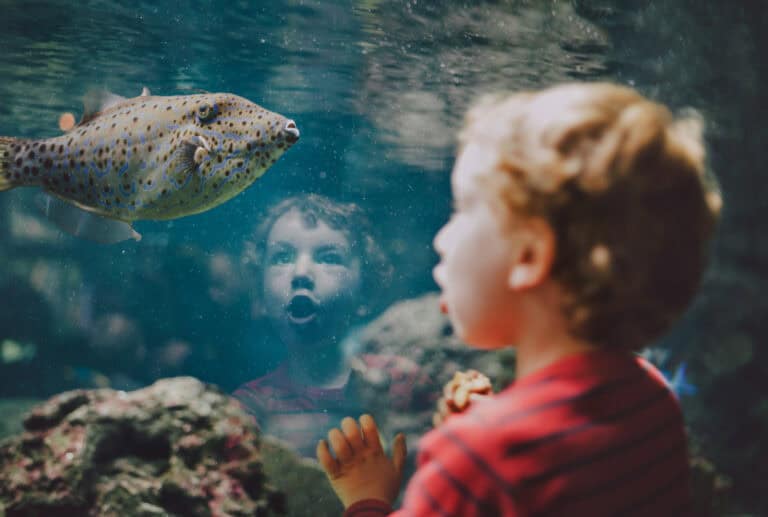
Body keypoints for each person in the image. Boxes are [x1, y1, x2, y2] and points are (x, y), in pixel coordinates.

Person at [315, 82, 722, 516]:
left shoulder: (474, 455)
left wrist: (368, 500)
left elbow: (507, 466)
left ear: (529, 255)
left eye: (461, 210)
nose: (441, 240)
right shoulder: (652, 399)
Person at [233, 193, 393, 457]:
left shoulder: (400, 383)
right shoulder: (249, 408)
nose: (300, 273)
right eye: (282, 257)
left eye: (329, 258)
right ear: (258, 295)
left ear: (366, 290)